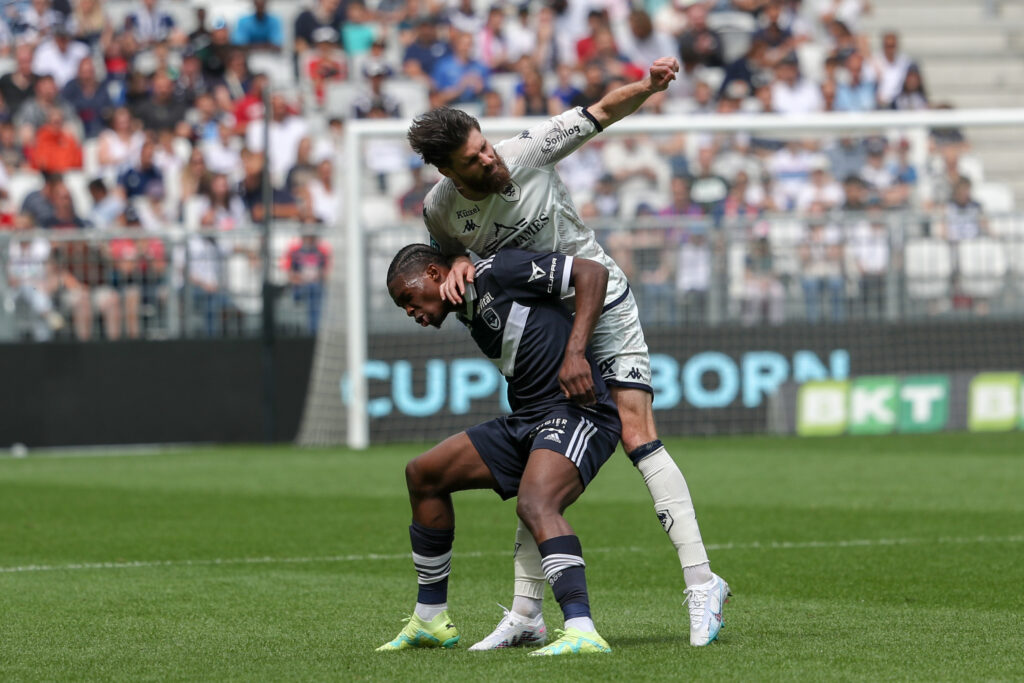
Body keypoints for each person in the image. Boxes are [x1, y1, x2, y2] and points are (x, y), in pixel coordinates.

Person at [406, 56, 730, 650]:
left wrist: (649, 86)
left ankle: (703, 582)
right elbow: (444, 252)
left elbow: (604, 110)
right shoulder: (439, 208)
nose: (489, 158)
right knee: (539, 460)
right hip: (550, 326)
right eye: (474, 159)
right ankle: (528, 613)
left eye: (485, 146)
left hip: (598, 300)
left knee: (637, 432)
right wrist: (453, 260)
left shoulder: (529, 149)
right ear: (449, 172)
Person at [380, 244, 620, 655]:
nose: (409, 310)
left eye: (409, 297)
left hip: (578, 409)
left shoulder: (500, 270)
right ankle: (430, 618)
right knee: (423, 473)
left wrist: (576, 352)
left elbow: (592, 273)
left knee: (536, 503)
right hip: (527, 420)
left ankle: (582, 628)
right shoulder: (467, 305)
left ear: (436, 275)